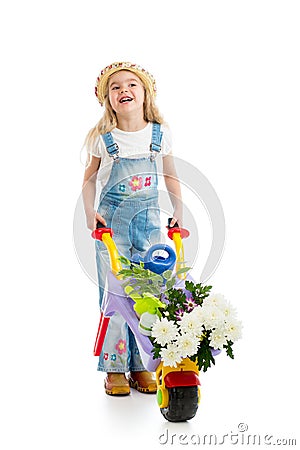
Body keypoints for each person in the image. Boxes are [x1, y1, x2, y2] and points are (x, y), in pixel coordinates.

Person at [82, 62, 183, 396]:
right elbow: (90, 179)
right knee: (116, 295)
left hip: (149, 228)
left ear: (145, 94)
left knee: (149, 294)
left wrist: (179, 210)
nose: (124, 90)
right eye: (115, 87)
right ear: (107, 99)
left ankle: (142, 363)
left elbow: (169, 175)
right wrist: (89, 213)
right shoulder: (104, 139)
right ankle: (114, 367)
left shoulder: (159, 134)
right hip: (113, 231)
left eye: (131, 85)